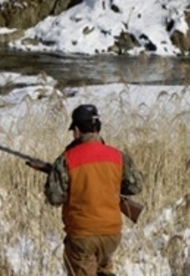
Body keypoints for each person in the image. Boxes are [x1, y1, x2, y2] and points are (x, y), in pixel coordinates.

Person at [41, 104, 143, 276]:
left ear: (78, 130)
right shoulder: (118, 156)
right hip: (112, 234)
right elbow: (135, 186)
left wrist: (53, 175)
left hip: (83, 235)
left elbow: (55, 198)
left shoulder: (67, 159)